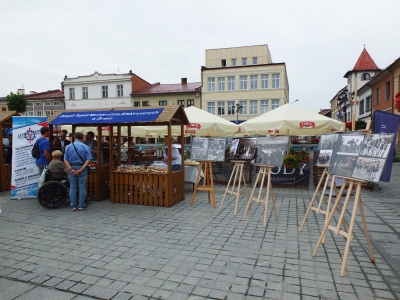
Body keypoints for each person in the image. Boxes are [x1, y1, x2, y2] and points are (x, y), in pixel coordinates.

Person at [64, 132, 92, 211]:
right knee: (82, 187)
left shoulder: (68, 147)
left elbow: (65, 160)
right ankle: (81, 205)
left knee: (72, 187)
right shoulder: (85, 147)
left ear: (74, 137)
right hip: (82, 167)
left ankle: (73, 205)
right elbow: (88, 160)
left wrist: (71, 169)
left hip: (72, 166)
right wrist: (81, 169)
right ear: (82, 138)